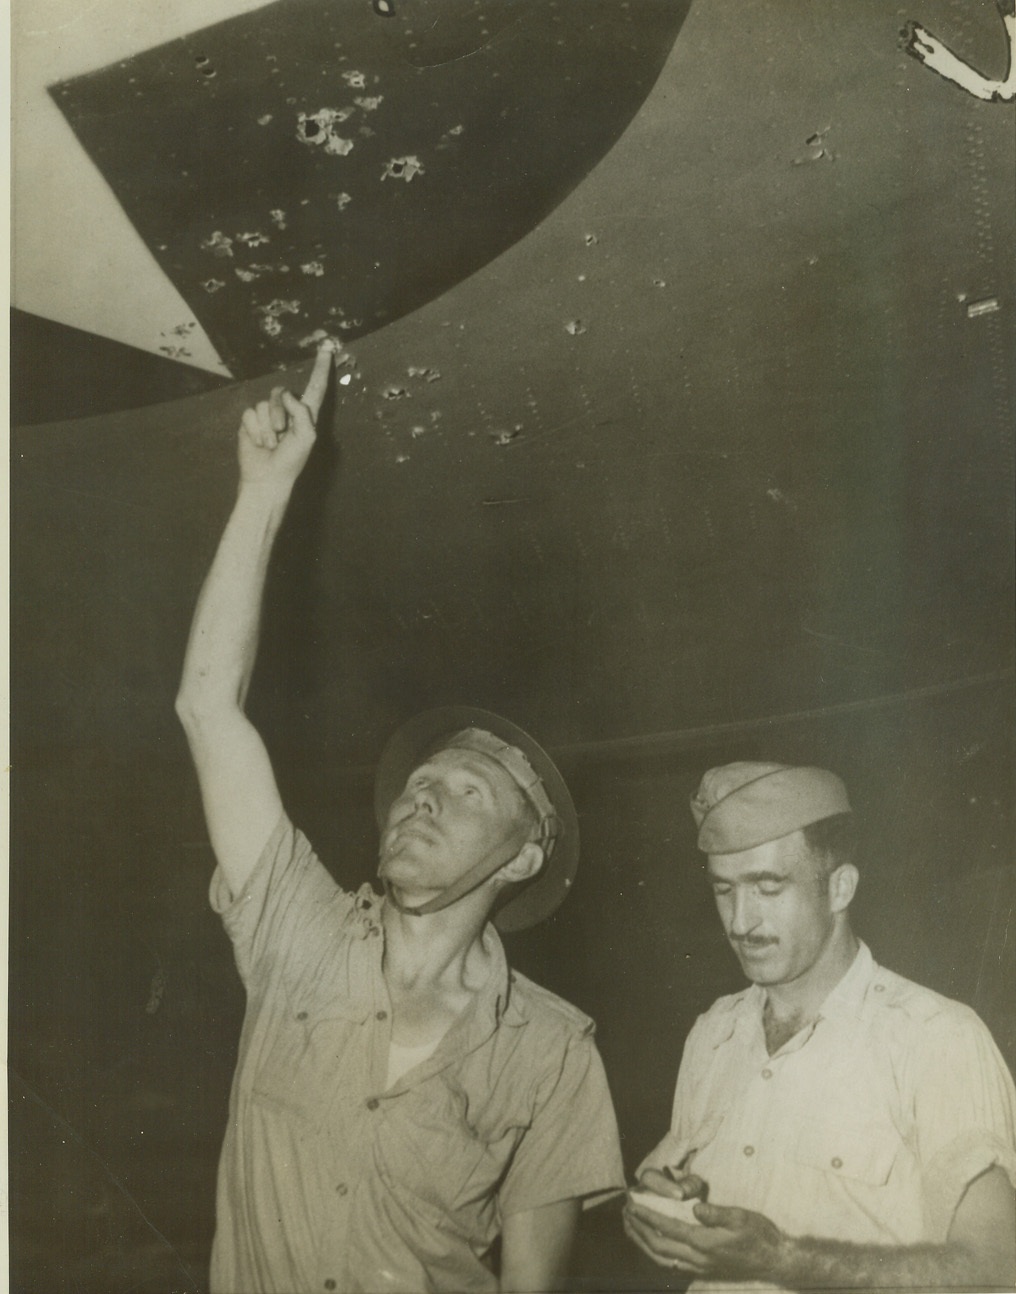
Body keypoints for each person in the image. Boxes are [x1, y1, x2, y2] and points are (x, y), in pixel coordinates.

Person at [175, 345, 624, 1294]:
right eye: (423, 781)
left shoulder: (551, 1054)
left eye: (469, 793)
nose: (427, 796)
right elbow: (209, 709)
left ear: (524, 855)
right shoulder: (294, 929)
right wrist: (265, 490)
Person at [624, 761, 1016, 1290]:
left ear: (840, 888)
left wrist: (782, 1259)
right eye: (724, 891)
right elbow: (668, 1194)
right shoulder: (715, 1034)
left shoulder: (936, 1038)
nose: (740, 922)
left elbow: (996, 1271)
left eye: (767, 887)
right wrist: (656, 1207)